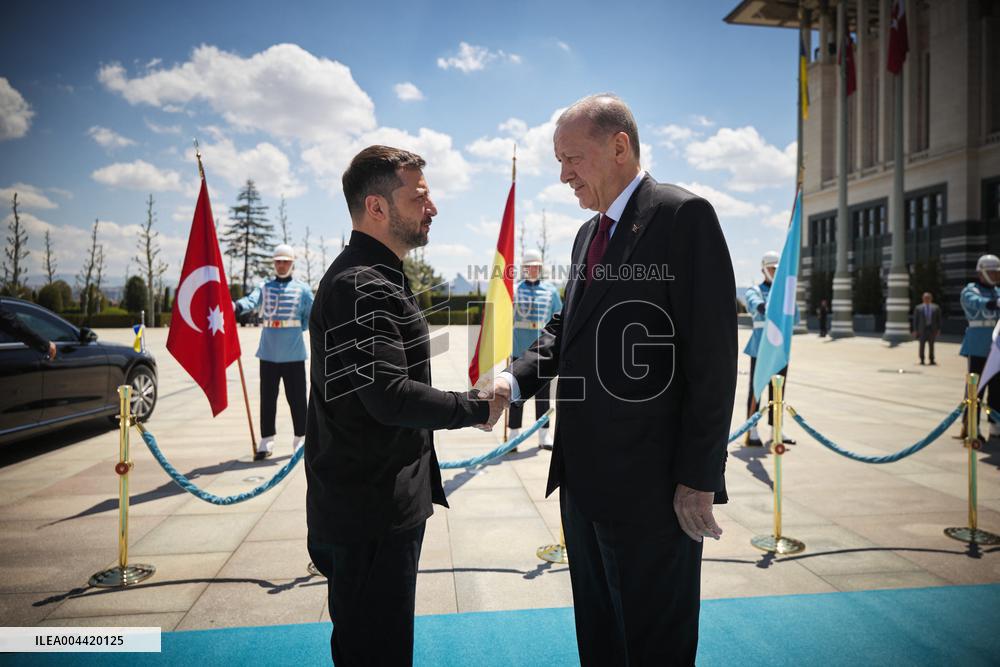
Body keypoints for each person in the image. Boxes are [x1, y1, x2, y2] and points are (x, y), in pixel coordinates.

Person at [484, 94, 737, 665]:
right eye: (557, 160)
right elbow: (564, 327)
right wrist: (513, 379)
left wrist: (699, 476)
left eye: (571, 157)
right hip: (584, 483)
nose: (563, 174)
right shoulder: (586, 235)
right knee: (600, 637)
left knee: (653, 644)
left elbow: (714, 359)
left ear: (619, 146)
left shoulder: (681, 216)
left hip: (652, 490)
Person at [305, 145, 493, 666]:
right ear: (378, 207)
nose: (432, 209)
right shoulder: (360, 283)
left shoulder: (376, 275)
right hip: (368, 510)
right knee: (375, 651)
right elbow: (388, 395)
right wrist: (473, 406)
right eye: (420, 197)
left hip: (372, 501)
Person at [233, 244, 314, 460]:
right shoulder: (264, 287)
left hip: (294, 353)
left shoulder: (302, 289)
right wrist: (235, 306)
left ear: (292, 264)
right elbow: (251, 301)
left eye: (285, 261)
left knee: (297, 399)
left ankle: (300, 438)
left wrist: (297, 329)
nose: (281, 265)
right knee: (267, 399)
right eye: (278, 261)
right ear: (274, 263)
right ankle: (266, 440)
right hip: (268, 353)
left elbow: (310, 314)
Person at [508, 248, 562, 451]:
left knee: (543, 395)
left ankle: (544, 435)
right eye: (530, 266)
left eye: (537, 267)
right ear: (524, 268)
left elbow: (559, 316)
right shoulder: (513, 289)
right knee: (515, 393)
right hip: (518, 349)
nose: (533, 269)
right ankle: (513, 435)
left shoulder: (551, 290)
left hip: (542, 353)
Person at [960, 254, 1000, 440]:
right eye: (992, 272)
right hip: (977, 347)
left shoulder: (997, 292)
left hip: (996, 348)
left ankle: (995, 424)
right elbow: (975, 303)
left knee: (998, 388)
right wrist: (993, 303)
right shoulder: (970, 291)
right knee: (976, 389)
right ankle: (970, 426)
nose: (996, 275)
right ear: (982, 272)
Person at [912, 292, 941, 366]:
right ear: (923, 298)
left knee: (931, 345)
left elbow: (938, 320)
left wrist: (938, 329)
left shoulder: (936, 307)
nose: (927, 299)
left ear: (931, 299)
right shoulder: (918, 308)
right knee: (922, 345)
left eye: (928, 298)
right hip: (922, 330)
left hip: (932, 329)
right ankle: (922, 359)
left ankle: (932, 360)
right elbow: (916, 320)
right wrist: (915, 330)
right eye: (925, 298)